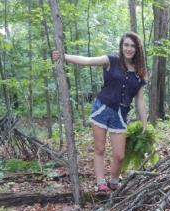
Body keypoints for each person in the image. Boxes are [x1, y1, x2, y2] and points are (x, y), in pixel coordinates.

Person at [52, 32, 148, 195]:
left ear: (137, 49)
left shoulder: (141, 72)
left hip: (120, 115)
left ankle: (114, 182)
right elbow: (87, 61)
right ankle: (101, 183)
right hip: (102, 108)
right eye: (126, 45)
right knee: (100, 148)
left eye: (132, 46)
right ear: (121, 46)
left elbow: (139, 100)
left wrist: (144, 122)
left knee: (119, 155)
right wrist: (64, 56)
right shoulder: (111, 61)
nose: (129, 49)